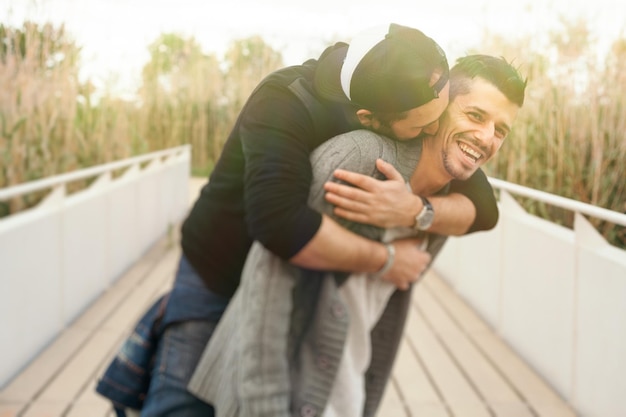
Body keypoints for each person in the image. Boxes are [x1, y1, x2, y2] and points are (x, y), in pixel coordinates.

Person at [96, 24, 500, 416]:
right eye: (424, 126)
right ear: (370, 119)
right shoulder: (285, 100)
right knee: (182, 405)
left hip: (294, 287)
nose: (432, 131)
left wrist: (414, 210)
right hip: (219, 272)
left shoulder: (409, 88)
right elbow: (281, 226)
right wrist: (388, 261)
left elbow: (484, 208)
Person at [185, 54, 526, 417]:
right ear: (436, 113)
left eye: (501, 130)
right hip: (275, 393)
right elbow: (269, 273)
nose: (487, 137)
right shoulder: (360, 156)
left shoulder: (443, 204)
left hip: (341, 395)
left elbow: (486, 213)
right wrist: (264, 407)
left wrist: (415, 210)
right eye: (476, 116)